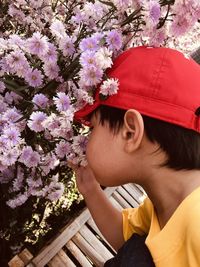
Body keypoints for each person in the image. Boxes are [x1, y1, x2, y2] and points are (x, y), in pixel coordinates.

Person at [71, 46, 200, 267]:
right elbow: (126, 238)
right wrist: (90, 189)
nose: (86, 142)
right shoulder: (163, 203)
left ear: (130, 132)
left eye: (93, 128)